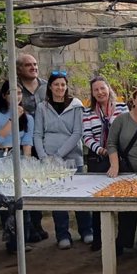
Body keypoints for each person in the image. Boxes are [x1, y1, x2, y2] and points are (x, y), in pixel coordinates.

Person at [34, 71, 92, 250]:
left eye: (63, 84)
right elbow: (37, 133)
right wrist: (44, 157)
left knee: (79, 195)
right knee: (58, 197)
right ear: (50, 87)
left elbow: (77, 133)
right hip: (50, 160)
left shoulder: (76, 105)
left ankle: (86, 230)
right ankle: (62, 234)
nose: (60, 88)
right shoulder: (42, 107)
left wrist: (59, 154)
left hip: (73, 157)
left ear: (66, 86)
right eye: (56, 84)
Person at [0, 80, 35, 254]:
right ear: (4, 95)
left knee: (22, 200)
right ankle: (12, 241)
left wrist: (27, 164)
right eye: (13, 93)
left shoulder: (28, 117)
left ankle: (24, 239)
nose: (17, 96)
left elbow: (27, 142)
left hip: (20, 158)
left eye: (20, 93)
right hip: (2, 159)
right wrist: (13, 118)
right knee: (7, 201)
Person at [107, 87, 137, 256]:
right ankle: (123, 242)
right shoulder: (121, 120)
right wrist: (114, 165)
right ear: (133, 101)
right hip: (126, 170)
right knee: (127, 209)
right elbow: (111, 143)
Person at [82, 76, 128, 252]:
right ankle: (99, 239)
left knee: (122, 199)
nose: (100, 92)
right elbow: (86, 136)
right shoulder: (88, 112)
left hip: (120, 158)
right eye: (96, 90)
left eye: (103, 88)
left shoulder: (122, 108)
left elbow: (126, 131)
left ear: (109, 89)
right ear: (92, 93)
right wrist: (101, 150)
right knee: (98, 200)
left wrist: (114, 150)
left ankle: (121, 241)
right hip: (98, 159)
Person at [16, 53, 47, 241]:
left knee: (39, 185)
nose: (34, 67)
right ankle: (27, 229)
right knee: (25, 185)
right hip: (24, 143)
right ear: (19, 69)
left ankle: (37, 224)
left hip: (42, 143)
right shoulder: (13, 87)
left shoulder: (46, 85)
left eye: (35, 64)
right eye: (29, 65)